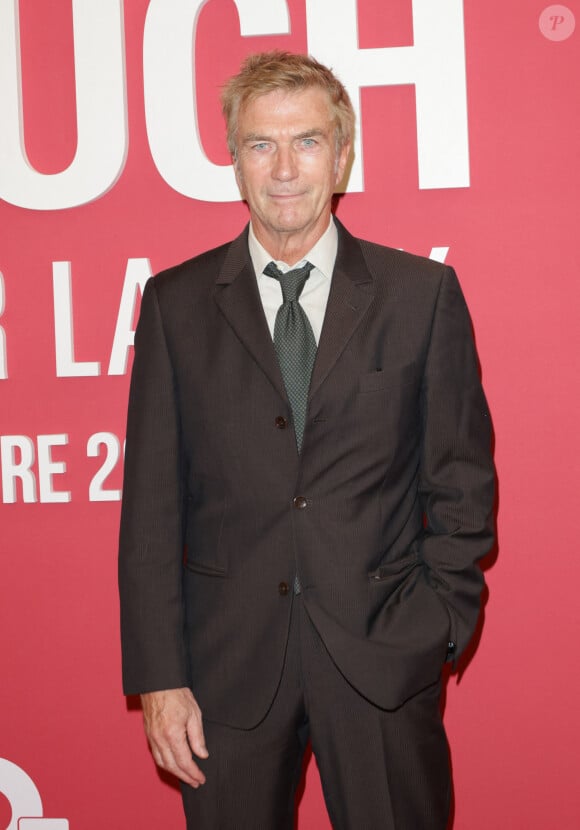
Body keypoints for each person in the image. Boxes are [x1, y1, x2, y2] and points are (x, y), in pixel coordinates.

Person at [119, 50, 495, 829]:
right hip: (224, 677)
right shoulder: (174, 306)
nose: (284, 167)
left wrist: (435, 627)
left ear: (343, 154)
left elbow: (461, 486)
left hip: (383, 660)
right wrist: (160, 678)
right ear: (234, 159)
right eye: (261, 144)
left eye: (308, 142)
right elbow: (151, 512)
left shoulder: (420, 297)